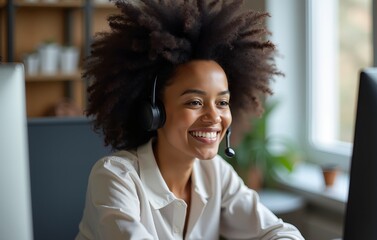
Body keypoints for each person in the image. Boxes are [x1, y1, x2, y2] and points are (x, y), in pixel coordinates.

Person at [76, 0, 305, 239]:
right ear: (154, 111)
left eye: (222, 103)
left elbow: (279, 232)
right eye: (195, 102)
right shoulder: (115, 177)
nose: (214, 116)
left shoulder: (215, 173)